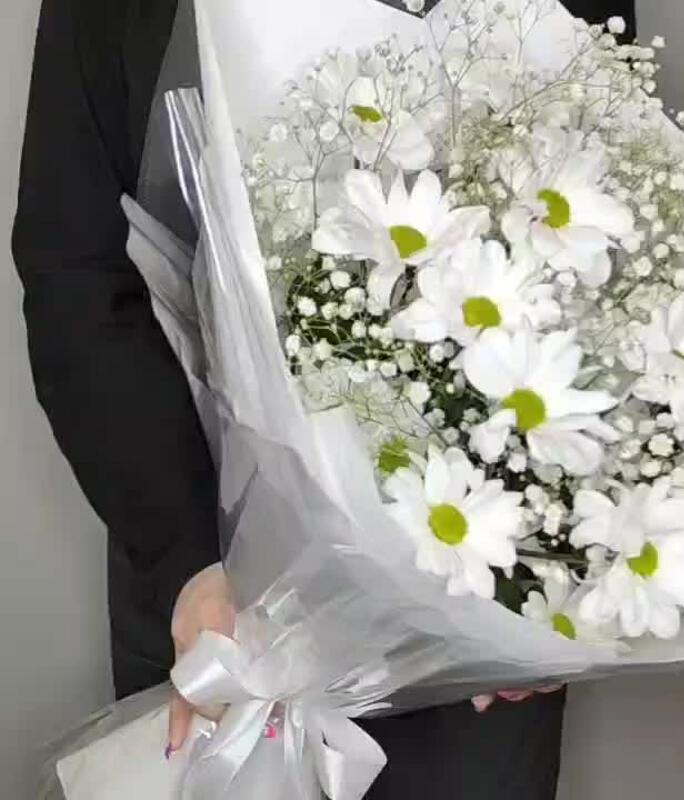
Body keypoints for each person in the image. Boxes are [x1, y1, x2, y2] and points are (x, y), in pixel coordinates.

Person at [13, 1, 636, 797]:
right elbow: (77, 271)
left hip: (477, 602)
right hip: (211, 593)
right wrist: (186, 559)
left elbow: (607, 247)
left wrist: (551, 564)